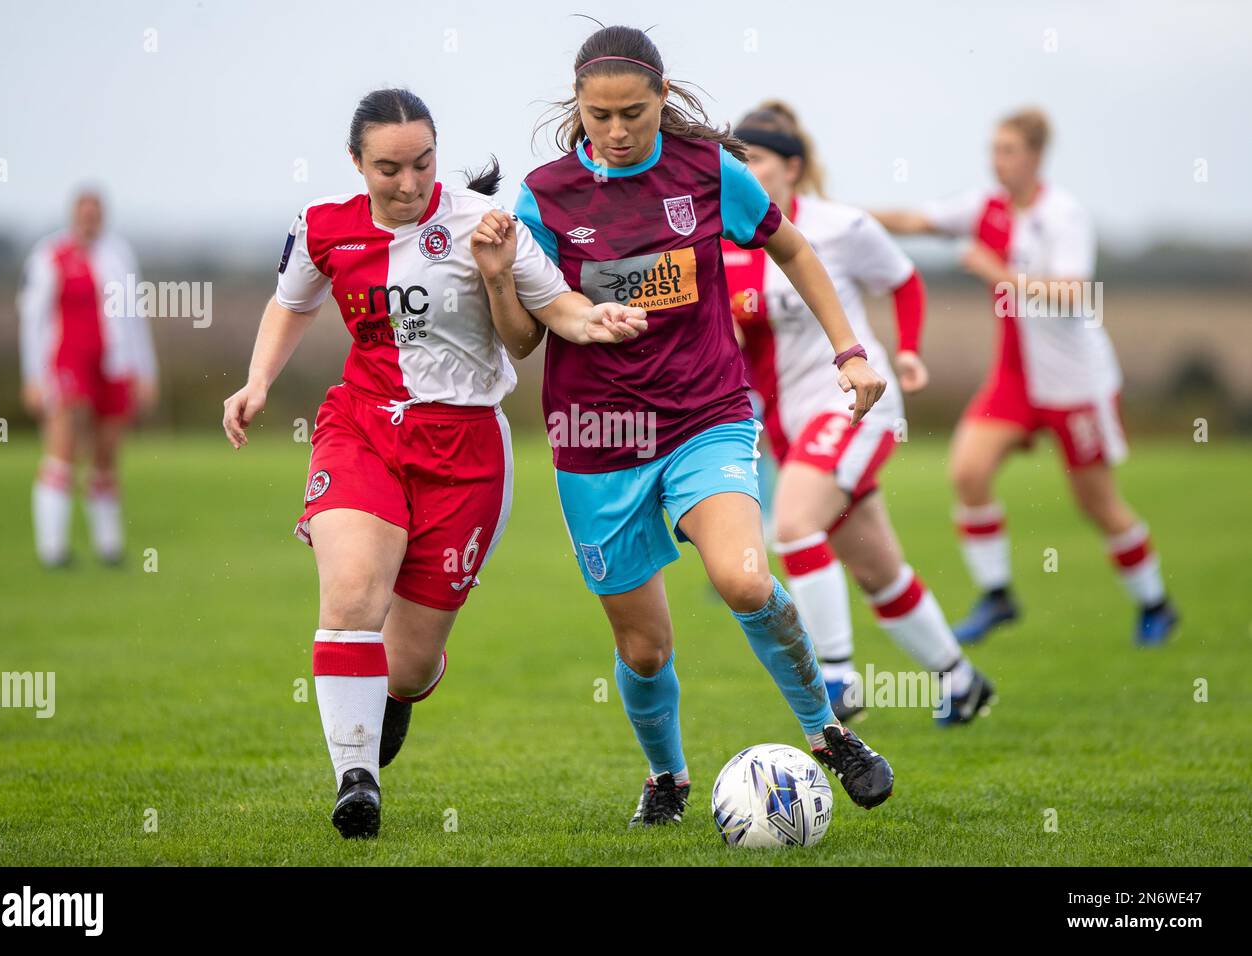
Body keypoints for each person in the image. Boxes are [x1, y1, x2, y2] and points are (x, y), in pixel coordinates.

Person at [491, 24, 896, 825]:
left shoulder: (712, 171)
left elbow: (796, 251)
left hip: (703, 417)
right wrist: (503, 280)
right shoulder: (543, 195)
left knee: (744, 576)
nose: (614, 131)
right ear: (577, 105)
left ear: (663, 98)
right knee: (644, 650)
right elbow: (524, 337)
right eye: (598, 115)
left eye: (632, 114)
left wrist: (849, 351)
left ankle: (829, 733)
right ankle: (667, 778)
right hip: (594, 442)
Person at [221, 88, 646, 839]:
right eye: (389, 168)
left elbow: (556, 312)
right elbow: (292, 303)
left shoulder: (482, 223)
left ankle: (394, 691)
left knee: (408, 667)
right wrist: (258, 380)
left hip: (466, 450)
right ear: (357, 164)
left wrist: (597, 317)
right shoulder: (323, 226)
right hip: (363, 427)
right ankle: (357, 781)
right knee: (352, 591)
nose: (409, 183)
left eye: (422, 163)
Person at [722, 101, 993, 724]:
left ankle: (838, 681)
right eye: (735, 162)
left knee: (790, 526)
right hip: (793, 426)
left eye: (754, 160)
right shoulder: (726, 239)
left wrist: (909, 352)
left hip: (856, 407)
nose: (741, 172)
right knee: (877, 568)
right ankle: (960, 680)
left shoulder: (841, 227)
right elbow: (739, 334)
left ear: (792, 168)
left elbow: (904, 280)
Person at [873, 107, 1178, 647]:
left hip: (1073, 383)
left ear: (1036, 156)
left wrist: (999, 274)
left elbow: (1072, 293)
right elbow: (917, 220)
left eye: (1009, 150)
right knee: (968, 471)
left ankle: (1155, 603)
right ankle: (998, 597)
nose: (997, 160)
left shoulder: (1063, 215)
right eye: (994, 149)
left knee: (1097, 503)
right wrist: (829, 213)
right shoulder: (985, 206)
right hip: (1014, 380)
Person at [18, 190, 158, 567]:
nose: (90, 219)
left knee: (106, 453)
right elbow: (33, 321)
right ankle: (53, 550)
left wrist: (145, 371)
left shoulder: (118, 256)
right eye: (84, 212)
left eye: (96, 212)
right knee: (63, 446)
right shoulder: (49, 256)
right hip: (67, 363)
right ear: (73, 215)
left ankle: (109, 547)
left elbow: (134, 319)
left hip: (113, 366)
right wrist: (32, 376)